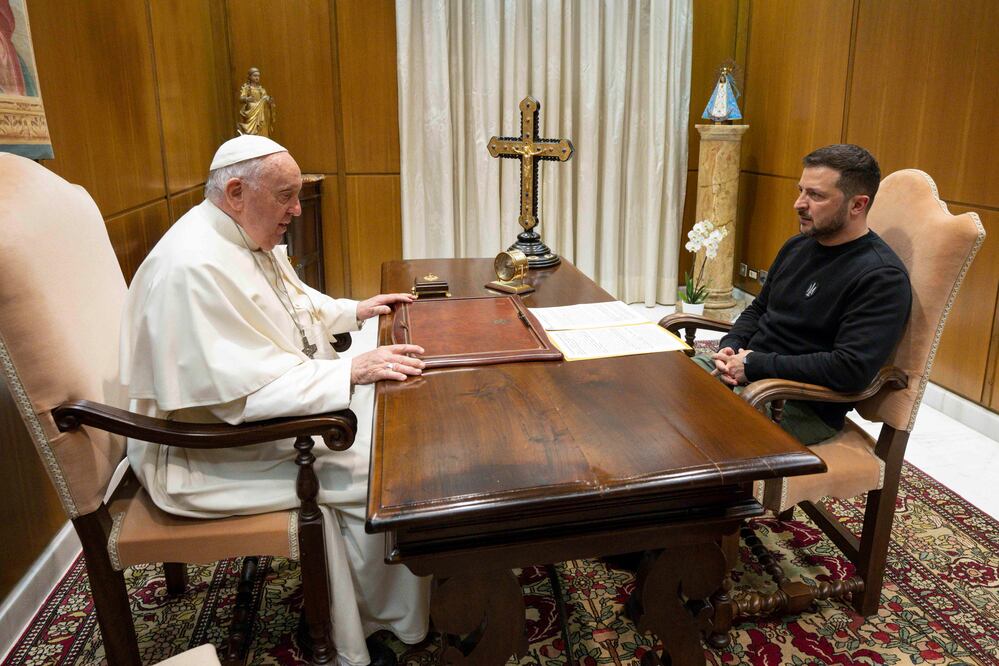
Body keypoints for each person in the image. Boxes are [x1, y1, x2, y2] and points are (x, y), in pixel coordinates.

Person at [120, 135, 428, 666]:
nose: (296, 208)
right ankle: (380, 625)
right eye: (286, 195)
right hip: (202, 453)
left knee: (397, 413)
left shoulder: (237, 236)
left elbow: (291, 301)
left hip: (249, 420)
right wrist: (348, 374)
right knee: (387, 470)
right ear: (236, 191)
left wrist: (353, 311)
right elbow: (238, 398)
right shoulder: (192, 268)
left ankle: (403, 588)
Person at [698, 144, 912, 444]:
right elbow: (759, 309)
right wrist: (732, 346)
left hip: (796, 403)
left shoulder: (882, 277)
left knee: (689, 429)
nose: (799, 203)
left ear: (857, 205)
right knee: (659, 387)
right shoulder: (797, 246)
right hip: (750, 376)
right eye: (801, 190)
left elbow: (849, 368)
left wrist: (755, 364)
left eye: (816, 195)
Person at [238, 67, 275, 136]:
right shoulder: (247, 88)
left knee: (264, 103)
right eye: (255, 76)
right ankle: (250, 130)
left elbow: (265, 98)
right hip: (252, 110)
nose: (257, 77)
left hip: (261, 111)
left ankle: (263, 133)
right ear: (250, 77)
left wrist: (269, 100)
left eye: (258, 76)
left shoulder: (261, 89)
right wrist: (247, 99)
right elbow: (241, 99)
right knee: (256, 104)